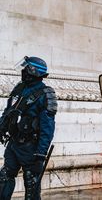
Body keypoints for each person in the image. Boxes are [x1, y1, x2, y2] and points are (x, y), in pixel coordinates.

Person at [0, 56, 57, 200]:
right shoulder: (20, 88)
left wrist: (41, 155)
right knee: (4, 178)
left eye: (26, 68)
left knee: (31, 185)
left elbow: (47, 128)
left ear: (33, 71)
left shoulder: (45, 94)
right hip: (13, 144)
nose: (23, 71)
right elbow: (8, 112)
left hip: (31, 148)